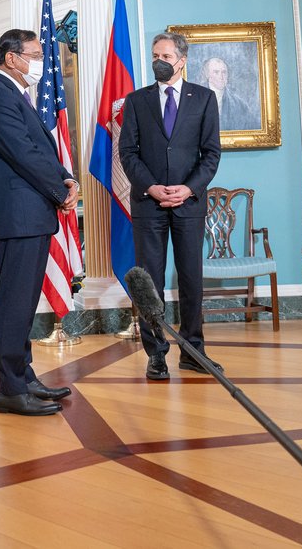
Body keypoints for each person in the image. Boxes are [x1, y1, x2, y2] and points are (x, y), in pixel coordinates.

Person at [0, 29, 80, 416]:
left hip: (31, 214)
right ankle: (10, 390)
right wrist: (59, 189)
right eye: (34, 54)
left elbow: (40, 149)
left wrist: (67, 178)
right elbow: (22, 155)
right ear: (11, 58)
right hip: (19, 215)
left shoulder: (13, 94)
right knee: (14, 303)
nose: (40, 61)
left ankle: (24, 376)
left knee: (24, 302)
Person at [119, 31, 222, 380]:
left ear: (181, 60)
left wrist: (188, 189)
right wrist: (151, 187)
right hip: (148, 204)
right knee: (151, 283)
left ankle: (193, 351)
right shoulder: (136, 101)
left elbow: (211, 155)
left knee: (192, 279)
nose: (158, 62)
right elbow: (127, 154)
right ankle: (156, 353)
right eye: (154, 55)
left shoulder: (205, 99)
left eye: (165, 56)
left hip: (189, 205)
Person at [200, 56, 255, 131]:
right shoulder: (196, 99)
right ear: (208, 75)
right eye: (216, 72)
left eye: (224, 72)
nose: (221, 77)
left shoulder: (240, 105)